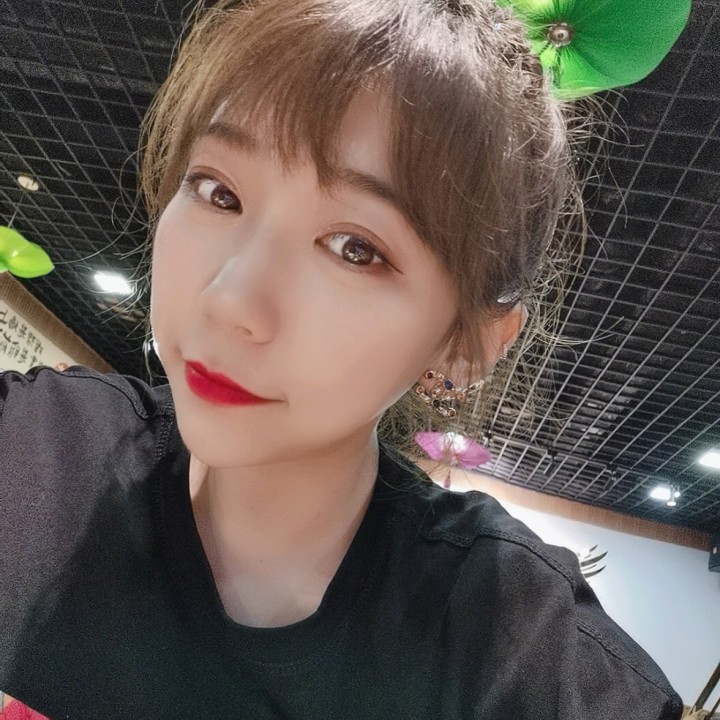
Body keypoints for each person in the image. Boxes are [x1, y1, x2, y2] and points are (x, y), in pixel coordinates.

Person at [0, 0, 683, 718]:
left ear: (467, 345)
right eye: (219, 192)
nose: (230, 300)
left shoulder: (508, 642)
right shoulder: (37, 453)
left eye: (356, 249)